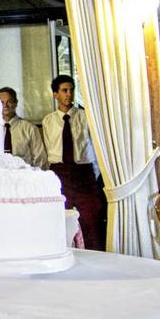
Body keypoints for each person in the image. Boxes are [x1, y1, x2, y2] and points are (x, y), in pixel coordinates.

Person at [41, 75, 107, 251]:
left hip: (84, 173)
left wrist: (93, 172)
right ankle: (64, 253)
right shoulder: (48, 121)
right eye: (64, 90)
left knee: (92, 217)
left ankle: (96, 255)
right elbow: (49, 149)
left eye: (71, 90)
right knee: (62, 217)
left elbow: (95, 146)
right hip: (60, 172)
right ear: (55, 94)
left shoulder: (86, 117)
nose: (68, 94)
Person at [0, 87, 47, 169]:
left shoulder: (29, 128)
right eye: (1, 102)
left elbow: (40, 159)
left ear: (16, 103)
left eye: (9, 102)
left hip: (24, 177)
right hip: (0, 176)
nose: (5, 105)